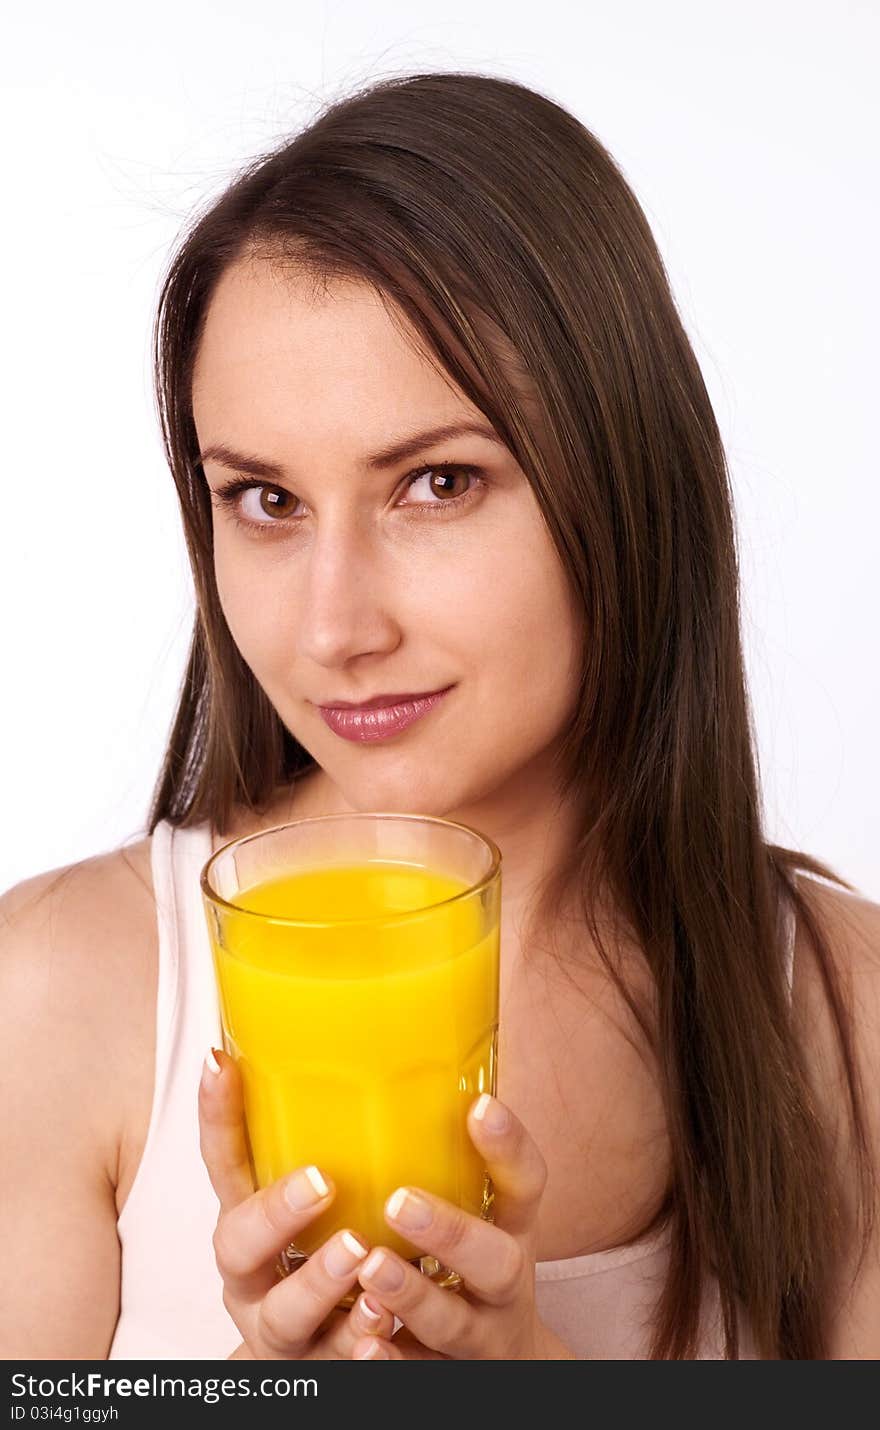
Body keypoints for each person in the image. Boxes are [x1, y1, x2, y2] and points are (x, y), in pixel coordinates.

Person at [2, 70, 878, 1362]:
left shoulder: (847, 1020)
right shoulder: (56, 999)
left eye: (437, 481)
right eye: (266, 500)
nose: (333, 627)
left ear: (627, 477)